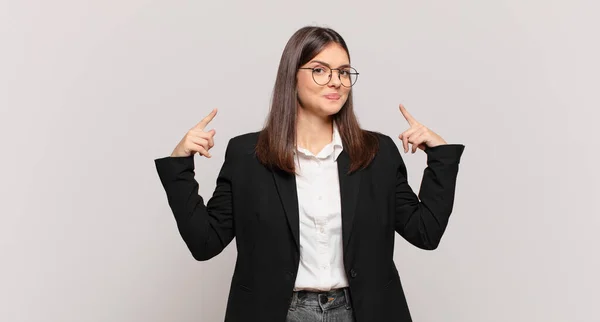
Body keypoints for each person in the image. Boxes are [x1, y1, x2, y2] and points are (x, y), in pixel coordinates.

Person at [154, 26, 465, 322]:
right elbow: (205, 242)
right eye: (320, 70)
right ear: (292, 77)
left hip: (361, 311)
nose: (336, 82)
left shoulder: (376, 152)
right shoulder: (247, 155)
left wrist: (441, 157)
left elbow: (425, 232)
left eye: (344, 72)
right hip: (278, 313)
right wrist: (180, 165)